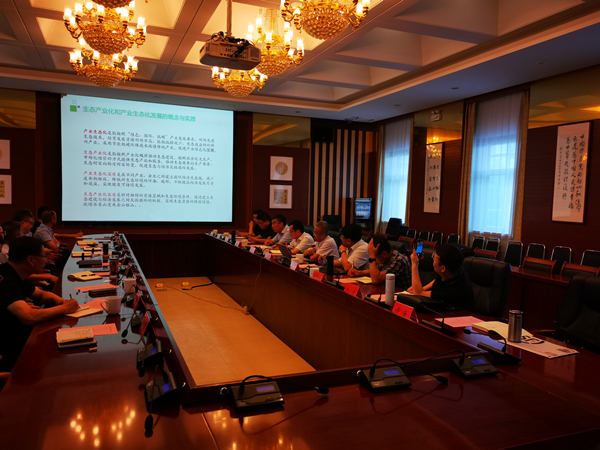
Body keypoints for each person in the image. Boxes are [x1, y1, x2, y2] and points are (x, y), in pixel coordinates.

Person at [0, 237, 79, 372]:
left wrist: (59, 301)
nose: (46, 260)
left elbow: (40, 294)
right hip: (11, 347)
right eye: (44, 256)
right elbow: (28, 317)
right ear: (31, 260)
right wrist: (65, 308)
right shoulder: (6, 281)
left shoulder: (14, 272)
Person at [409, 244, 474, 310]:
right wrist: (423, 289)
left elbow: (418, 293)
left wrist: (414, 264)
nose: (432, 259)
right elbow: (437, 281)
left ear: (443, 268)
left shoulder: (451, 292)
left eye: (434, 259)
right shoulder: (454, 269)